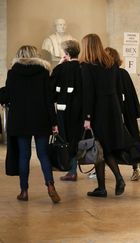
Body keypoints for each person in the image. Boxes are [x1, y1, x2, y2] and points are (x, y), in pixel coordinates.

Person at [2, 45, 60, 203]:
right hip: (41, 119)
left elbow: (7, 95)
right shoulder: (43, 73)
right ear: (36, 55)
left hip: (20, 121)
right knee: (43, 154)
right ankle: (50, 186)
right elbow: (49, 100)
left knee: (23, 155)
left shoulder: (13, 73)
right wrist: (54, 122)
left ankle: (24, 191)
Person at [80, 34, 129, 197]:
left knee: (100, 148)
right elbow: (117, 88)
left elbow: (88, 94)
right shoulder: (111, 64)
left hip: (98, 111)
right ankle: (104, 186)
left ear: (87, 47)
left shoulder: (87, 66)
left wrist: (87, 117)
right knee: (103, 149)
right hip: (113, 109)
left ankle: (114, 180)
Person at [105, 47, 140, 181]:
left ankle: (101, 169)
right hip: (128, 113)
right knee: (131, 139)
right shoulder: (124, 73)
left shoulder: (107, 74)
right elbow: (132, 96)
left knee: (108, 141)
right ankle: (136, 168)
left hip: (113, 113)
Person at [50, 40, 83, 181]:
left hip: (64, 110)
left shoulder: (61, 69)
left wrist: (58, 65)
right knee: (78, 138)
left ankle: (72, 170)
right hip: (81, 110)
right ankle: (75, 169)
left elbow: (50, 88)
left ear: (67, 54)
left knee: (66, 139)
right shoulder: (83, 68)